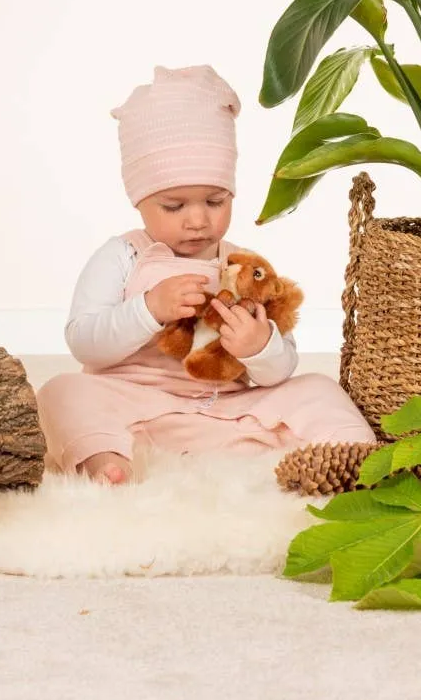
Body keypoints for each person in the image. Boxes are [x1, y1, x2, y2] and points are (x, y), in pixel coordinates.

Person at [36, 65, 375, 484]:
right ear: (139, 201)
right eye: (174, 206)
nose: (197, 221)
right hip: (134, 408)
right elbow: (84, 343)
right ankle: (107, 462)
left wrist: (259, 346)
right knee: (60, 392)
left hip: (228, 411)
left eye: (215, 201)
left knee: (318, 389)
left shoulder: (244, 266)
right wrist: (148, 309)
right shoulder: (122, 255)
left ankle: (355, 459)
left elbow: (279, 368)